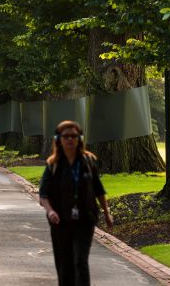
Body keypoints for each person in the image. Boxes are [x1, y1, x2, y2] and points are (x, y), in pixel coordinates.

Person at [39, 120, 113, 286]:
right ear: (59, 139)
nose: (70, 139)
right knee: (64, 263)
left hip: (85, 219)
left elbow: (98, 190)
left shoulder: (88, 162)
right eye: (66, 136)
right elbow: (43, 194)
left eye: (74, 136)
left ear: (80, 138)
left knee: (80, 260)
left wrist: (107, 214)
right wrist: (50, 211)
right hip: (60, 221)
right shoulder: (53, 164)